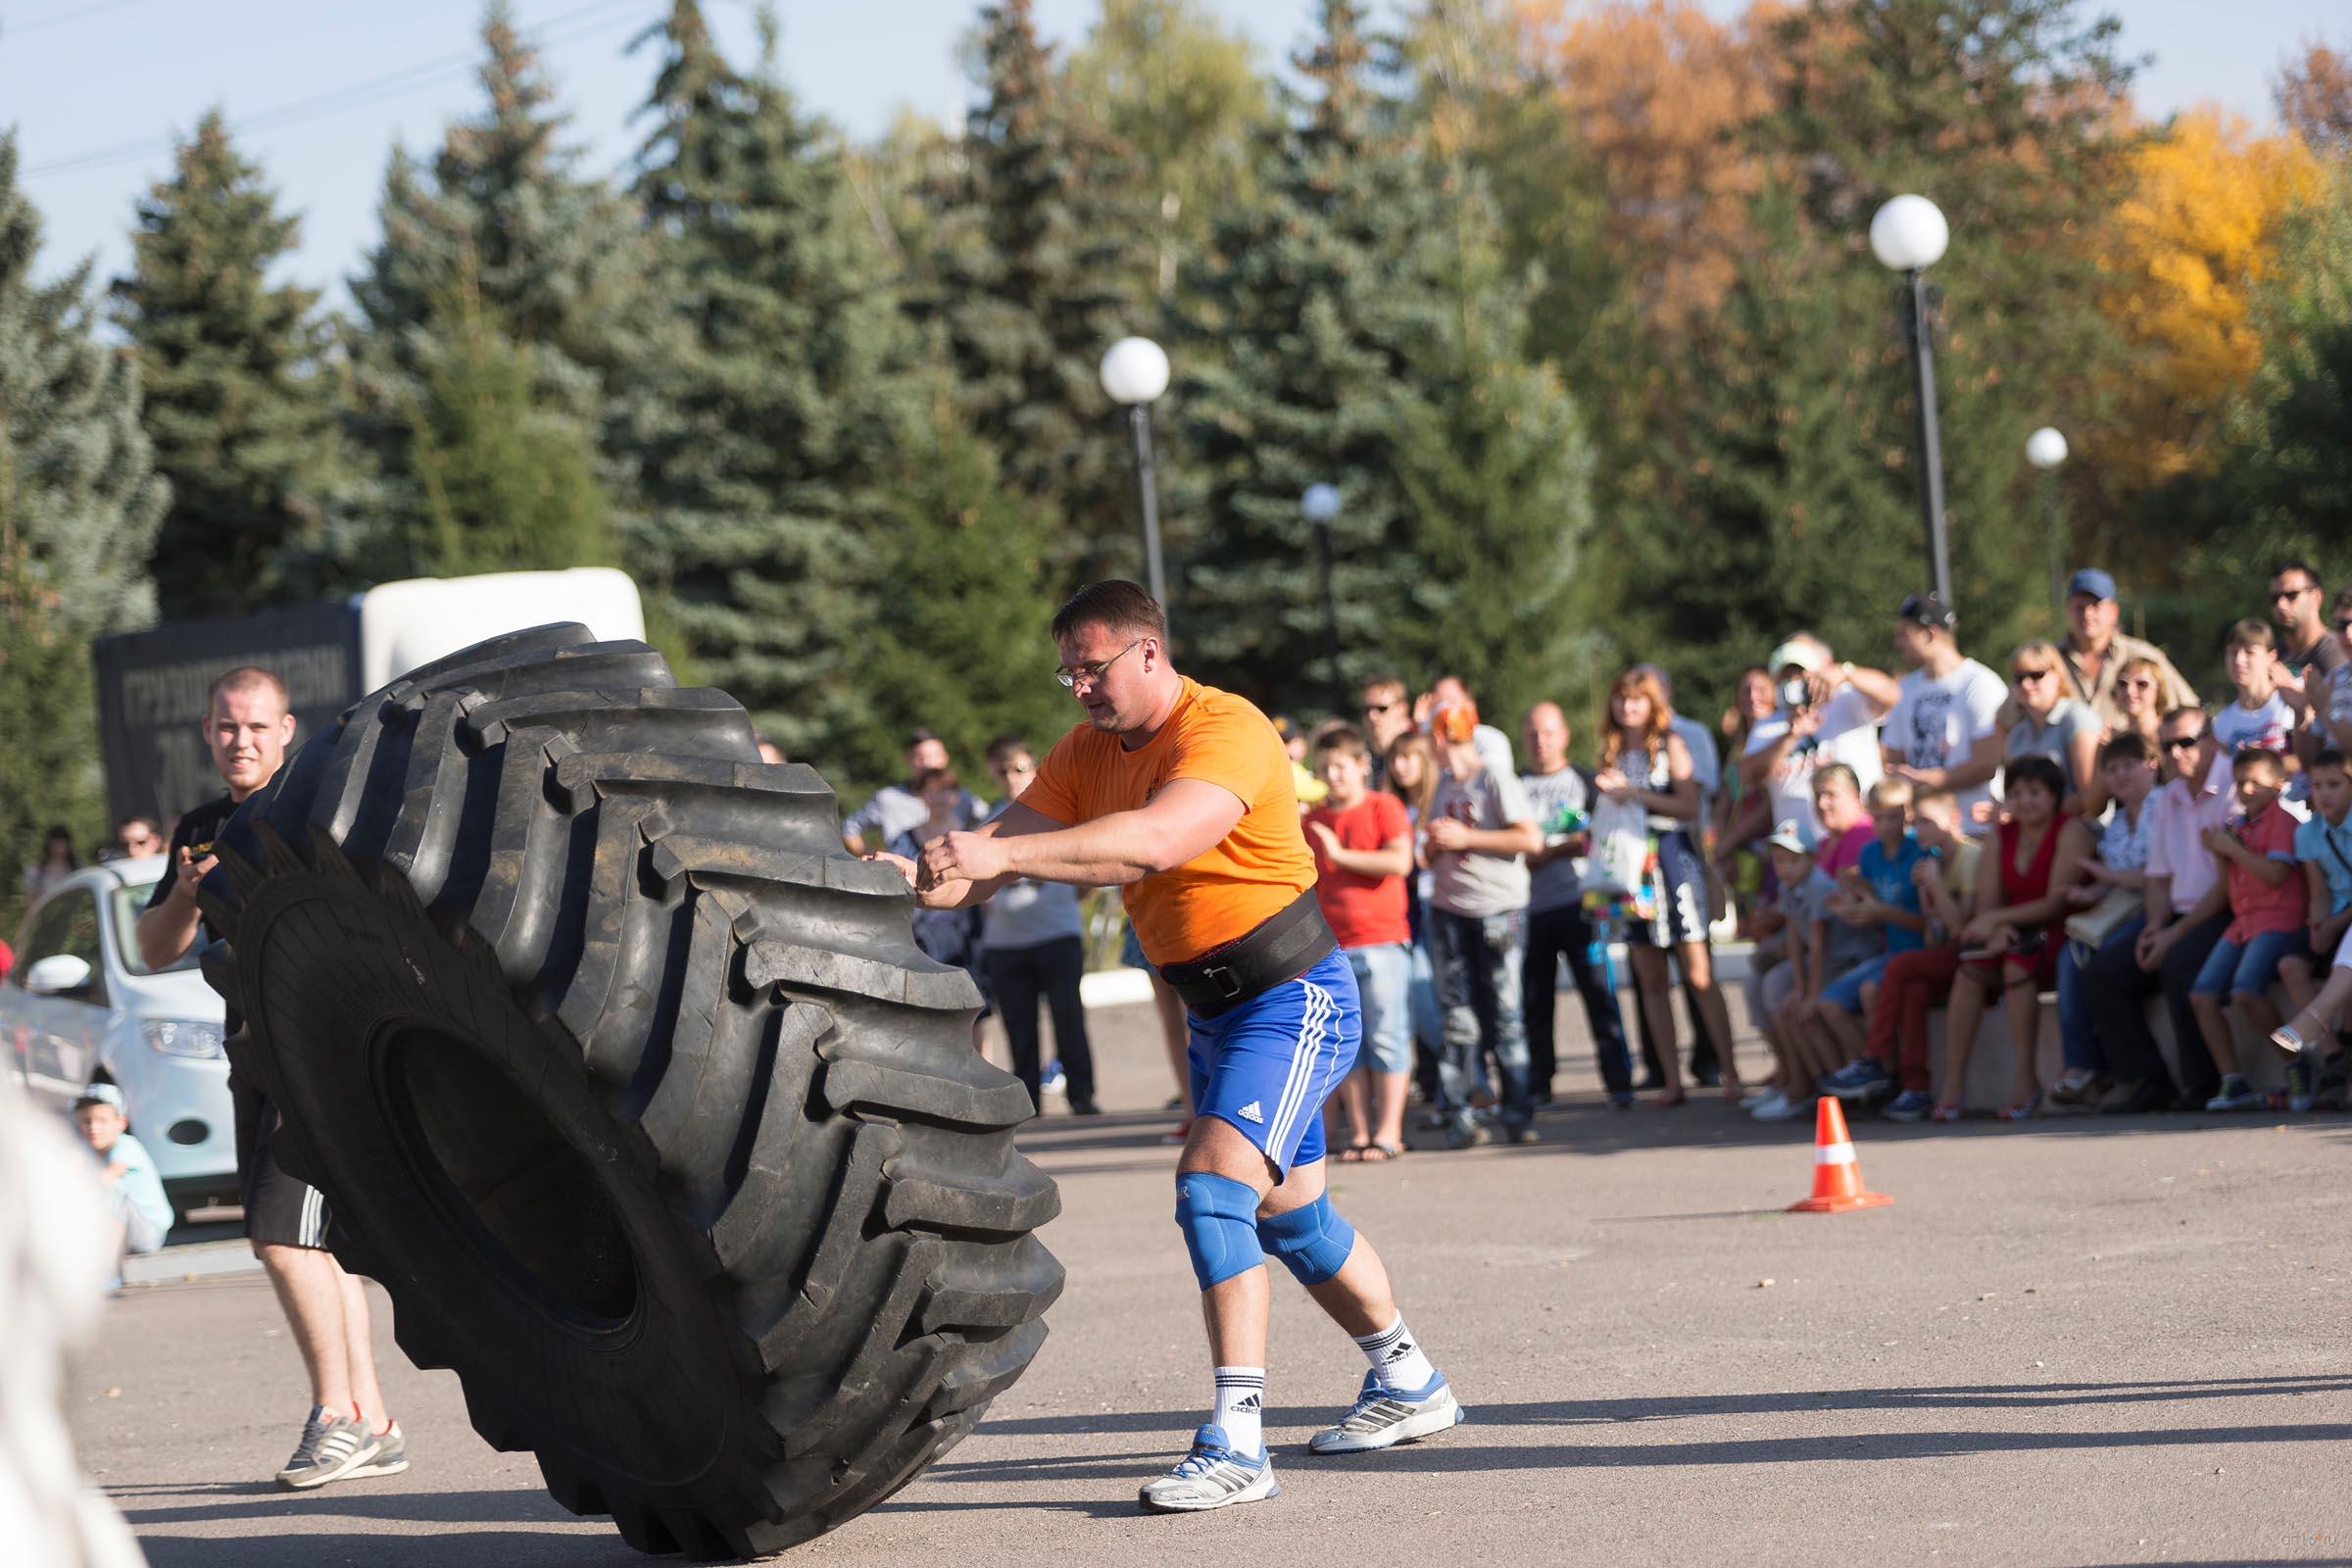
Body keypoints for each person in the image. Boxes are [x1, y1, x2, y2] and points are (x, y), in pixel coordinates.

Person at [882, 582, 1462, 1512]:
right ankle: (1409, 1381)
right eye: (1067, 671)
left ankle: (1238, 1442)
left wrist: (997, 858)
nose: (1078, 688)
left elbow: (1153, 844)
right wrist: (909, 880)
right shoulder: (1084, 753)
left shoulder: (1226, 728)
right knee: (1293, 1223)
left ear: (1149, 652)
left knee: (1211, 1191)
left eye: (1092, 668)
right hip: (1216, 1016)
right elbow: (990, 857)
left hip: (1295, 996)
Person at [133, 665, 408, 1491]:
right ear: (208, 732)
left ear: (287, 729)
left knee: (282, 1239)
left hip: (318, 1061)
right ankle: (372, 1422)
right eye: (226, 727)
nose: (240, 741)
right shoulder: (204, 827)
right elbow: (153, 950)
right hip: (252, 1057)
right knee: (312, 1245)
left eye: (255, 726)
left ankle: (338, 1417)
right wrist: (185, 894)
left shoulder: (321, 805)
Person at [1594, 666, 1741, 1106]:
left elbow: (1688, 804)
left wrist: (1634, 795)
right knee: (1649, 977)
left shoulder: (1672, 744)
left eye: (1637, 698)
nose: (1628, 706)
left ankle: (1731, 1072)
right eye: (1621, 698)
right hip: (1630, 866)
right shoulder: (1612, 751)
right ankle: (1671, 1080)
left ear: (1654, 702)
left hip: (1673, 860)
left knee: (1698, 972)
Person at [2085, 709, 2236, 1114]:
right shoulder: (2171, 795)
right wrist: (2153, 928)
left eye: (2185, 742)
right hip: (2178, 915)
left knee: (2177, 963)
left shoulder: (2234, 786)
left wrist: (2172, 934)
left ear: (2211, 741)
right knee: (2104, 972)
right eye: (2167, 745)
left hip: (2229, 913)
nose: (2175, 753)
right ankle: (2150, 1084)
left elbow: (2226, 888)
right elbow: (2157, 877)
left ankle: (2205, 1085)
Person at [1933, 756, 2091, 1120]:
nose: (2024, 801)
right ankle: (1953, 1085)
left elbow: (2055, 903)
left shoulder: (2072, 831)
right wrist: (1999, 926)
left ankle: (2025, 1081)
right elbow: (1988, 902)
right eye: (2016, 793)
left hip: (2064, 934)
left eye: (2034, 792)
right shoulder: (2000, 836)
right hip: (2016, 932)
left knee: (2017, 962)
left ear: (2053, 796)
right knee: (1972, 966)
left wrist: (1999, 921)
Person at [1820, 788, 1983, 1121]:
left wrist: (1932, 887)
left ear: (1953, 820)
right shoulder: (1928, 859)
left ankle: (1875, 1058)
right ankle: (1915, 1089)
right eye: (1917, 822)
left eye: (1925, 822)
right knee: (1913, 991)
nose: (1917, 830)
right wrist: (1857, 897)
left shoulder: (1966, 857)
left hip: (1973, 956)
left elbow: (1960, 931)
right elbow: (1933, 931)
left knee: (1900, 968)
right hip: (1939, 955)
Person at [1425, 696, 1543, 1149]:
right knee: (1458, 1019)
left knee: (1506, 1016)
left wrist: (1466, 836)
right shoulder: (1444, 784)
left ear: (1440, 738)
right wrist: (1436, 845)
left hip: (1496, 910)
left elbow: (1529, 837)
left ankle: (1518, 1113)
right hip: (1451, 911)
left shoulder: (1493, 777)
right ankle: (1462, 1116)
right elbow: (1433, 848)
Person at [1303, 727, 1414, 1160]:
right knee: (1343, 1044)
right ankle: (1360, 1133)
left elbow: (1399, 861)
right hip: (1329, 948)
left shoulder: (1383, 807)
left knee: (1387, 1037)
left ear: (1362, 766)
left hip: (1383, 942)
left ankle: (1389, 1132)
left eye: (1341, 767)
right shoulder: (1310, 819)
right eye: (1325, 768)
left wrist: (1339, 854)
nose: (1334, 776)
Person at [1518, 701, 1634, 1108]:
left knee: (1600, 994)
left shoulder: (1586, 781)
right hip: (1530, 910)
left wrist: (1554, 849)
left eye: (1548, 733)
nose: (1540, 742)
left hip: (1581, 906)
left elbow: (1605, 836)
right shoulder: (1513, 785)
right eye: (1532, 734)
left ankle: (1620, 1083)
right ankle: (1538, 1084)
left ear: (1564, 735)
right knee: (1535, 1002)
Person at [977, 738, 1099, 1117]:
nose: (1013, 778)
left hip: (1057, 931)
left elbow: (1088, 870)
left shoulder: (1061, 814)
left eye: (1020, 768)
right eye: (1004, 771)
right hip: (1006, 940)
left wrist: (1069, 904)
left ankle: (1081, 1096)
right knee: (1019, 1025)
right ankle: (1029, 1102)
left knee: (1068, 1017)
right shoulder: (991, 821)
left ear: (1035, 768)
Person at [2187, 748, 2310, 1111]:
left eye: (2257, 781)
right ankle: (2233, 1081)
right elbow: (2229, 887)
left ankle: (2296, 1064)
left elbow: (2275, 876)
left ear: (2278, 784)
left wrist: (2231, 849)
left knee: (2244, 992)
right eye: (2241, 782)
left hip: (2277, 920)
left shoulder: (2283, 822)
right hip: (2244, 923)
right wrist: (2218, 852)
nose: (2248, 788)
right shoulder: (2238, 826)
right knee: (2202, 994)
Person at [2049, 733, 2163, 1106]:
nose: (2120, 775)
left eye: (2129, 765)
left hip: (2161, 908)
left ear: (2152, 765)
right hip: (2123, 909)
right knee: (2070, 955)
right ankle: (2080, 1066)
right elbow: (2117, 878)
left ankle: (2133, 1077)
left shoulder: (2165, 806)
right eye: (2111, 769)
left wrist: (2105, 878)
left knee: (2102, 967)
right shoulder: (2116, 823)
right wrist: (2090, 892)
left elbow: (2159, 875)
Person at [1800, 778, 1929, 1076]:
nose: (1886, 825)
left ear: (1908, 815)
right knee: (1828, 1003)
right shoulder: (1870, 853)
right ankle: (1870, 1073)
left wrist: (1877, 909)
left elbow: (1925, 924)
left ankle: (1894, 1076)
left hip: (1915, 952)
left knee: (1871, 990)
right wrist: (1851, 901)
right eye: (1879, 817)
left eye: (1894, 817)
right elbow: (1873, 912)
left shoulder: (1920, 853)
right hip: (1890, 951)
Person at [1740, 634, 1897, 842]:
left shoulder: (1846, 699)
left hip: (1860, 841)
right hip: (1798, 854)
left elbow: (1892, 694)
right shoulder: (1768, 725)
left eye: (1801, 675)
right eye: (1786, 677)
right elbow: (1747, 776)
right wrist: (1789, 737)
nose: (1795, 683)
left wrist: (1845, 672)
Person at [1884, 592, 2008, 833]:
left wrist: (1930, 781)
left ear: (1930, 634)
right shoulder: (1905, 688)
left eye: (1904, 634)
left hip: (1973, 830)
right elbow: (1893, 757)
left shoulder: (1979, 683)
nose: (1897, 643)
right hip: (1921, 835)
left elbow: (1987, 763)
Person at [2280, 749, 2352, 1107]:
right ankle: (2333, 1052)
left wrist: (2334, 924)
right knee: (2291, 964)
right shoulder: (2308, 833)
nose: (2324, 794)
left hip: (2348, 919)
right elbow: (2319, 892)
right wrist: (2318, 924)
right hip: (2338, 915)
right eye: (2318, 785)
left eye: (2335, 785)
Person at [1385, 731, 1449, 1112]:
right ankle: (1444, 1094)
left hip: (1437, 918)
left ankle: (1461, 1092)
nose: (1399, 765)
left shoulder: (1437, 805)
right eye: (1395, 758)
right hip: (1402, 919)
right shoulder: (1387, 805)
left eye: (1408, 757)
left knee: (1436, 1010)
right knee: (1417, 1013)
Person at [2054, 568, 2197, 730]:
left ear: (2113, 612)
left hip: (2132, 752)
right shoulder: (2049, 662)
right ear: (2068, 610)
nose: (2087, 614)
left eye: (2095, 605)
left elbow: (2190, 710)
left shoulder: (2145, 656)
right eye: (2080, 607)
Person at [73, 1085, 172, 1280]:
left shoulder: (127, 1146)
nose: (94, 1127)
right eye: (87, 1121)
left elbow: (105, 1178)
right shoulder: (87, 1150)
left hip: (147, 1232)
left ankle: (108, 1268)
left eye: (102, 1120)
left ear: (121, 1123)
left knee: (111, 1190)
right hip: (124, 1232)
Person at [843, 730, 982, 855]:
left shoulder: (965, 798)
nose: (928, 763)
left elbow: (991, 823)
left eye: (934, 756)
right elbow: (849, 828)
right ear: (908, 759)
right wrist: (878, 862)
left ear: (945, 758)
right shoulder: (888, 798)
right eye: (920, 757)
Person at [2003, 640, 2102, 814]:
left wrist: (2029, 815)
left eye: (2036, 675)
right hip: (2035, 833)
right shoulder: (2017, 735)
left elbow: (2089, 800)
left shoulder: (2076, 719)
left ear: (2058, 677)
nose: (2026, 684)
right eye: (2019, 678)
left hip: (2079, 832)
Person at [2268, 560, 2346, 759]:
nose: (2281, 604)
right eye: (2274, 597)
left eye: (2291, 595)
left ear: (2316, 597)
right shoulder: (2272, 654)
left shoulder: (2337, 652)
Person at [2213, 618, 2298, 766]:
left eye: (2249, 652)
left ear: (2271, 657)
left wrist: (2263, 760)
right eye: (2233, 652)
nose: (2239, 660)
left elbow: (2310, 761)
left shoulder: (2290, 702)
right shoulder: (2223, 721)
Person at [1359, 674, 1415, 790]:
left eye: (1381, 708)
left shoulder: (1418, 754)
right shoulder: (1357, 757)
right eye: (1366, 709)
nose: (1372, 716)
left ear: (1402, 709)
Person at [23, 825, 77, 902]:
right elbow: (31, 904)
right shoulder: (36, 872)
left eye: (61, 844)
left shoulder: (78, 870)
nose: (59, 849)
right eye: (55, 844)